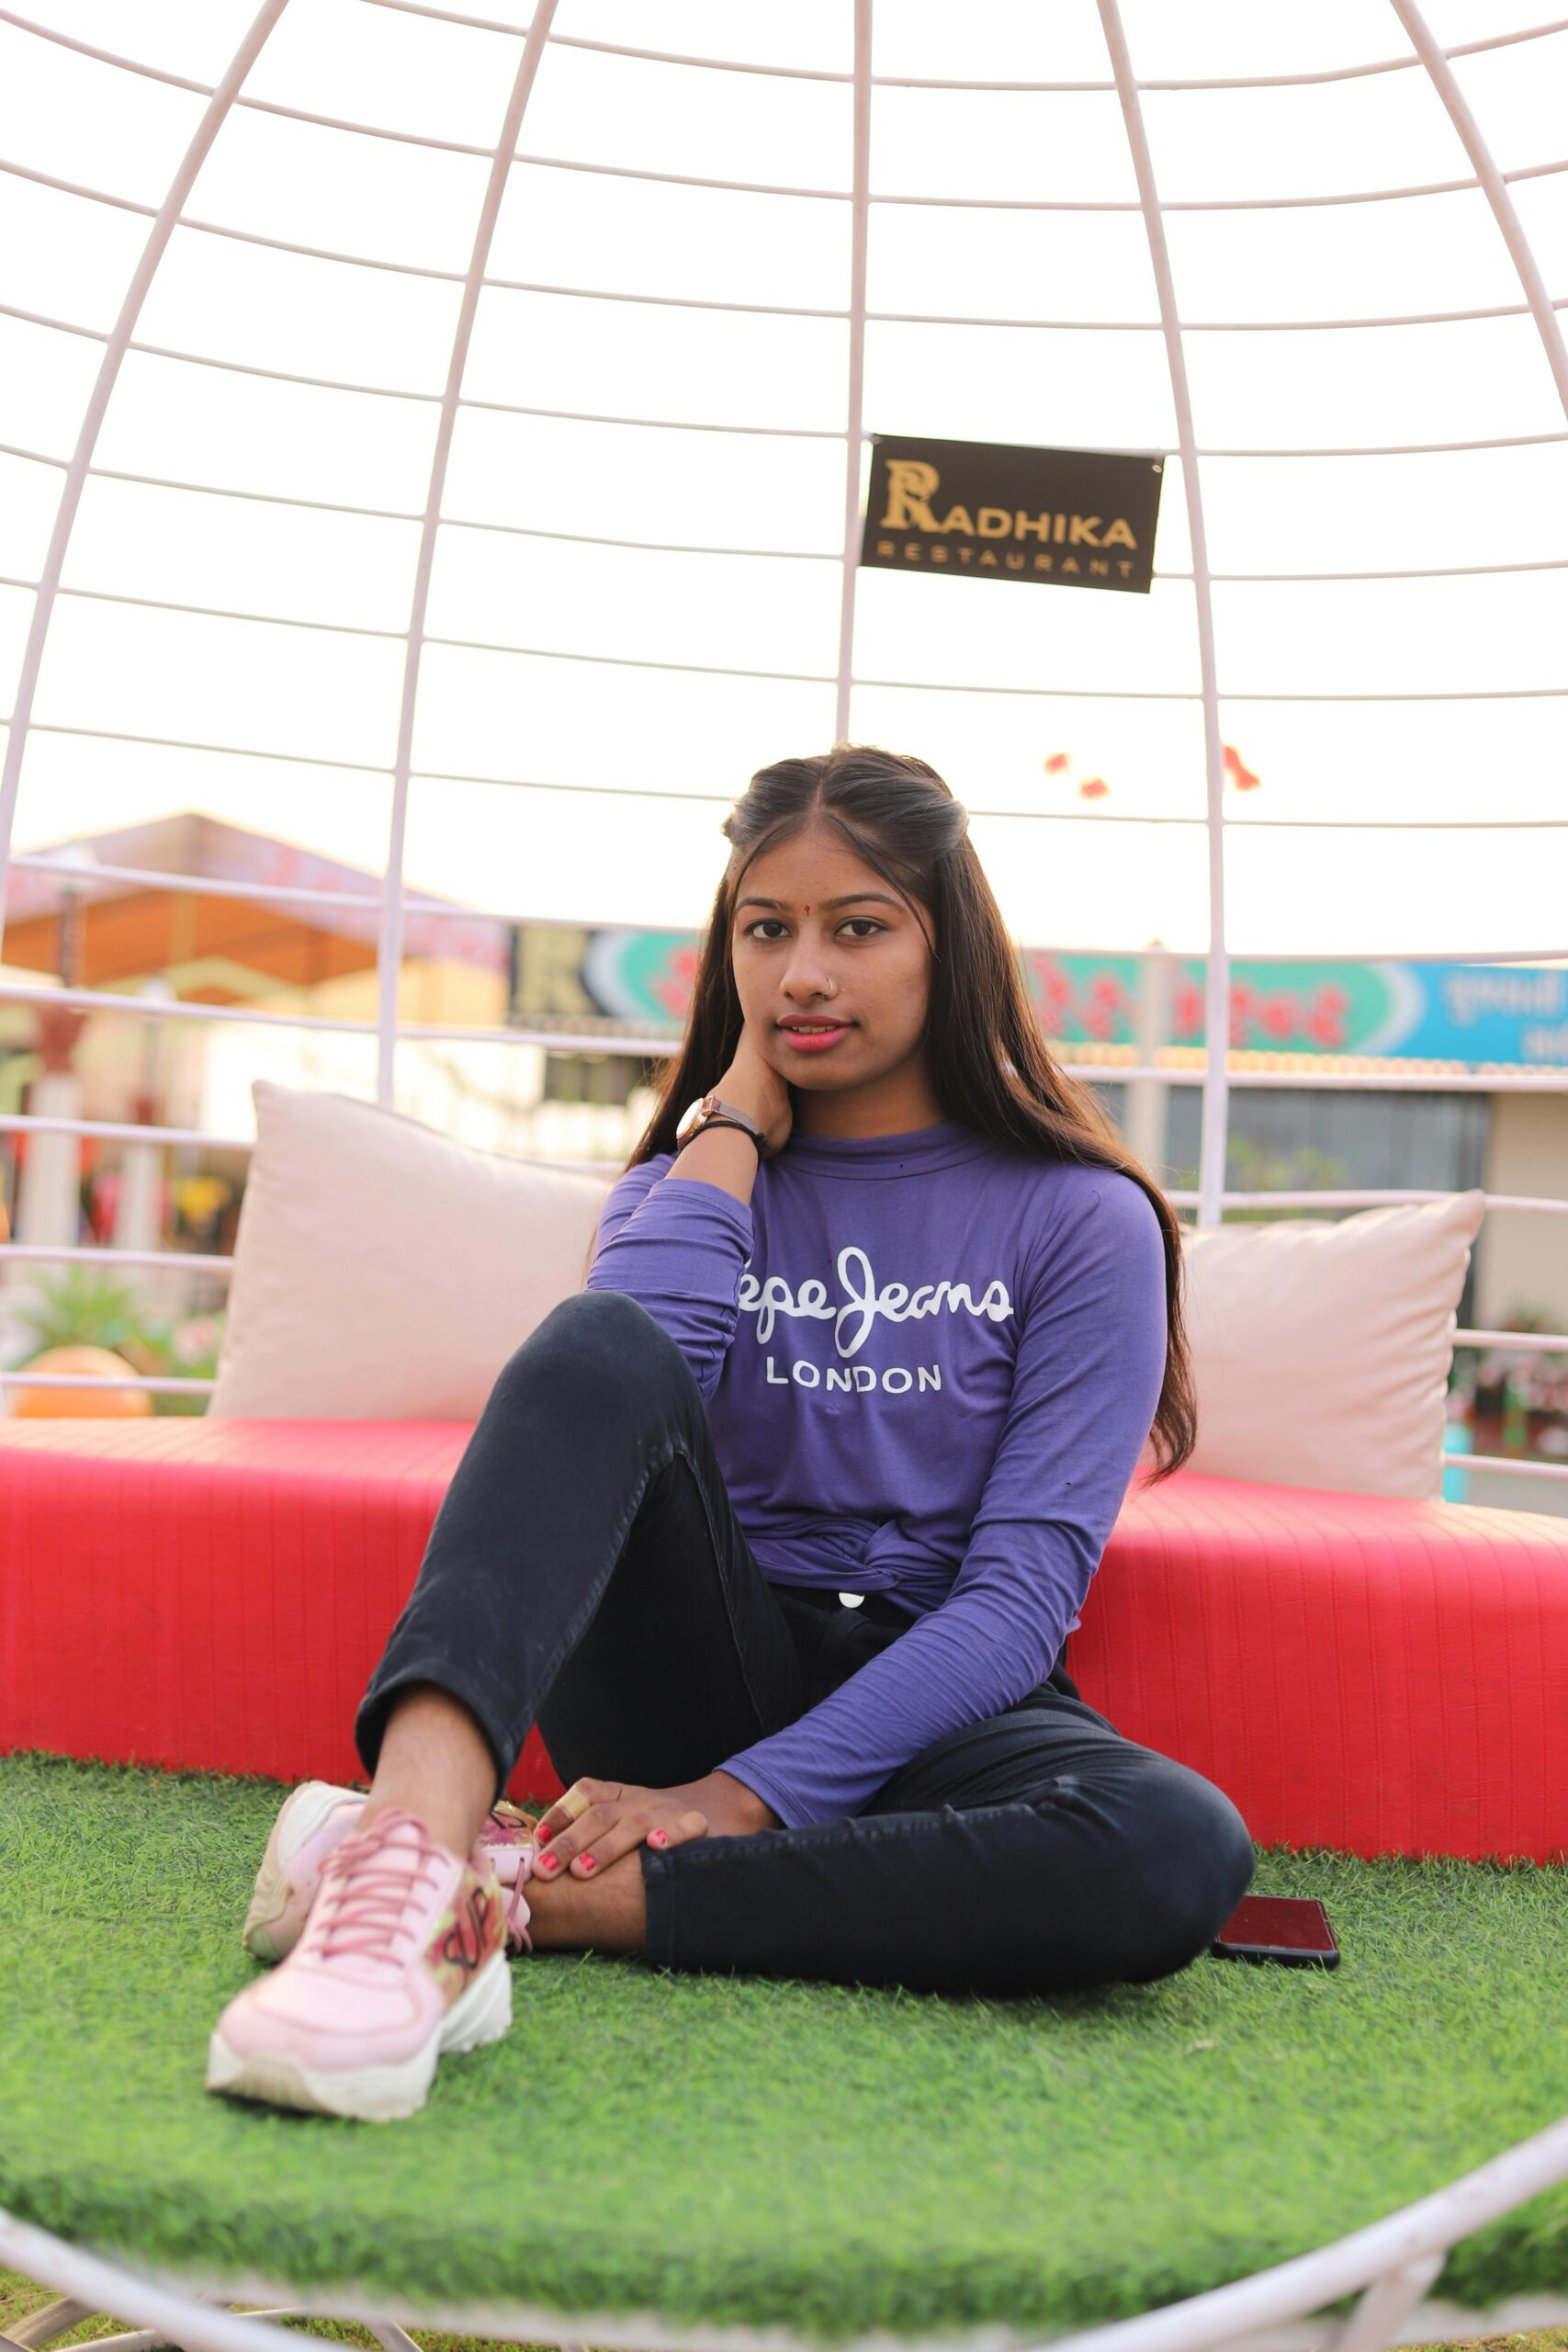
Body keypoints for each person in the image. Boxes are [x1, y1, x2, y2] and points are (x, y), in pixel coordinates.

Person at [207, 743, 1254, 2125]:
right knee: (593, 1333)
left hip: (933, 1689)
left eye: (858, 928)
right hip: (697, 1647)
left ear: (955, 950)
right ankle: (401, 1860)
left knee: (1174, 1847)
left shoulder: (1080, 1216)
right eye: (768, 930)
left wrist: (744, 1798)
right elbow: (629, 1372)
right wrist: (731, 1136)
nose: (802, 974)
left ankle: (502, 1901)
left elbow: (1017, 1605)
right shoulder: (681, 1189)